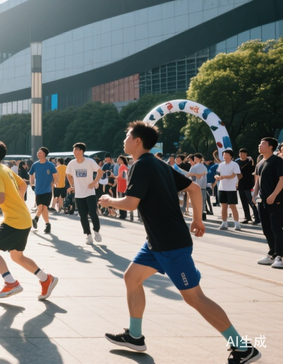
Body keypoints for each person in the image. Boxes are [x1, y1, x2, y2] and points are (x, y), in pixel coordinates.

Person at [99, 121, 261, 363]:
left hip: (170, 243)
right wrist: (198, 220)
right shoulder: (158, 164)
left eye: (127, 136)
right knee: (131, 278)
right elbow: (194, 188)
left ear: (137, 141)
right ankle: (135, 336)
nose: (124, 139)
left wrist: (109, 200)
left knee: (194, 297)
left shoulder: (142, 165)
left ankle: (243, 348)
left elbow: (131, 203)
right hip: (156, 241)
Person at [0, 140, 58, 300]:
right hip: (23, 218)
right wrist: (17, 201)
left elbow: (0, 198)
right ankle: (46, 279)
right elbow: (21, 185)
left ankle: (11, 283)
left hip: (14, 220)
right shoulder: (4, 169)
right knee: (17, 256)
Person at [65, 142, 102, 245]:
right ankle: (88, 235)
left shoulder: (89, 162)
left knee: (92, 212)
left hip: (90, 192)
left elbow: (100, 172)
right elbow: (68, 174)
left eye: (76, 149)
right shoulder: (72, 163)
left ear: (81, 151)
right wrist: (72, 185)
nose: (74, 151)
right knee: (82, 215)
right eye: (73, 149)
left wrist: (94, 182)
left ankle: (96, 231)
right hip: (79, 194)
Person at [255, 137, 283, 268]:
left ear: (271, 147)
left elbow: (282, 180)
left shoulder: (277, 161)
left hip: (275, 201)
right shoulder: (261, 162)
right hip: (263, 201)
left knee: (276, 228)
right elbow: (258, 181)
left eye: (263, 144)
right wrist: (255, 195)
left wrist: (274, 195)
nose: (260, 146)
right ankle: (272, 253)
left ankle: (280, 256)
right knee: (266, 228)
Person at [29, 147, 58, 234]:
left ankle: (36, 219)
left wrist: (53, 183)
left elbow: (55, 176)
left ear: (44, 154)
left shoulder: (50, 165)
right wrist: (31, 184)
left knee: (43, 207)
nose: (38, 153)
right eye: (38, 152)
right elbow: (31, 174)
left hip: (47, 190)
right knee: (41, 207)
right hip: (38, 189)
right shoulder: (35, 164)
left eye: (40, 152)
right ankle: (47, 224)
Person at [216, 149, 242, 231]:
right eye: (224, 154)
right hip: (222, 188)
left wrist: (223, 177)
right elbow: (218, 174)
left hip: (231, 188)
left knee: (232, 206)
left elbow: (234, 175)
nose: (224, 156)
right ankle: (224, 223)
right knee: (223, 206)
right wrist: (217, 177)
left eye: (226, 154)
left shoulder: (234, 164)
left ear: (231, 156)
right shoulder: (221, 165)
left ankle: (237, 224)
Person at [236, 149, 259, 224]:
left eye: (244, 153)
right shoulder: (237, 162)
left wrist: (251, 160)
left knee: (251, 201)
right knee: (243, 201)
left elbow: (253, 170)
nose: (242, 155)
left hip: (248, 184)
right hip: (240, 184)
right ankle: (247, 217)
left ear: (246, 154)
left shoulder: (249, 162)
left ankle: (257, 217)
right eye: (241, 153)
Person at [187, 154, 209, 221]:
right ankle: (202, 214)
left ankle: (197, 215)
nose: (194, 159)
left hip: (196, 186)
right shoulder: (204, 167)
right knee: (202, 201)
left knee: (196, 201)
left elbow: (189, 174)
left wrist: (196, 175)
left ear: (198, 159)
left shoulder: (194, 167)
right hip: (203, 186)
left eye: (195, 158)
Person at [116, 155, 131, 220]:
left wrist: (115, 177)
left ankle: (122, 215)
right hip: (123, 185)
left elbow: (122, 176)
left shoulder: (122, 166)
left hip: (122, 186)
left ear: (122, 160)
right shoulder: (124, 167)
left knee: (121, 201)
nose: (118, 161)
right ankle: (123, 214)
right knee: (122, 200)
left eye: (119, 160)